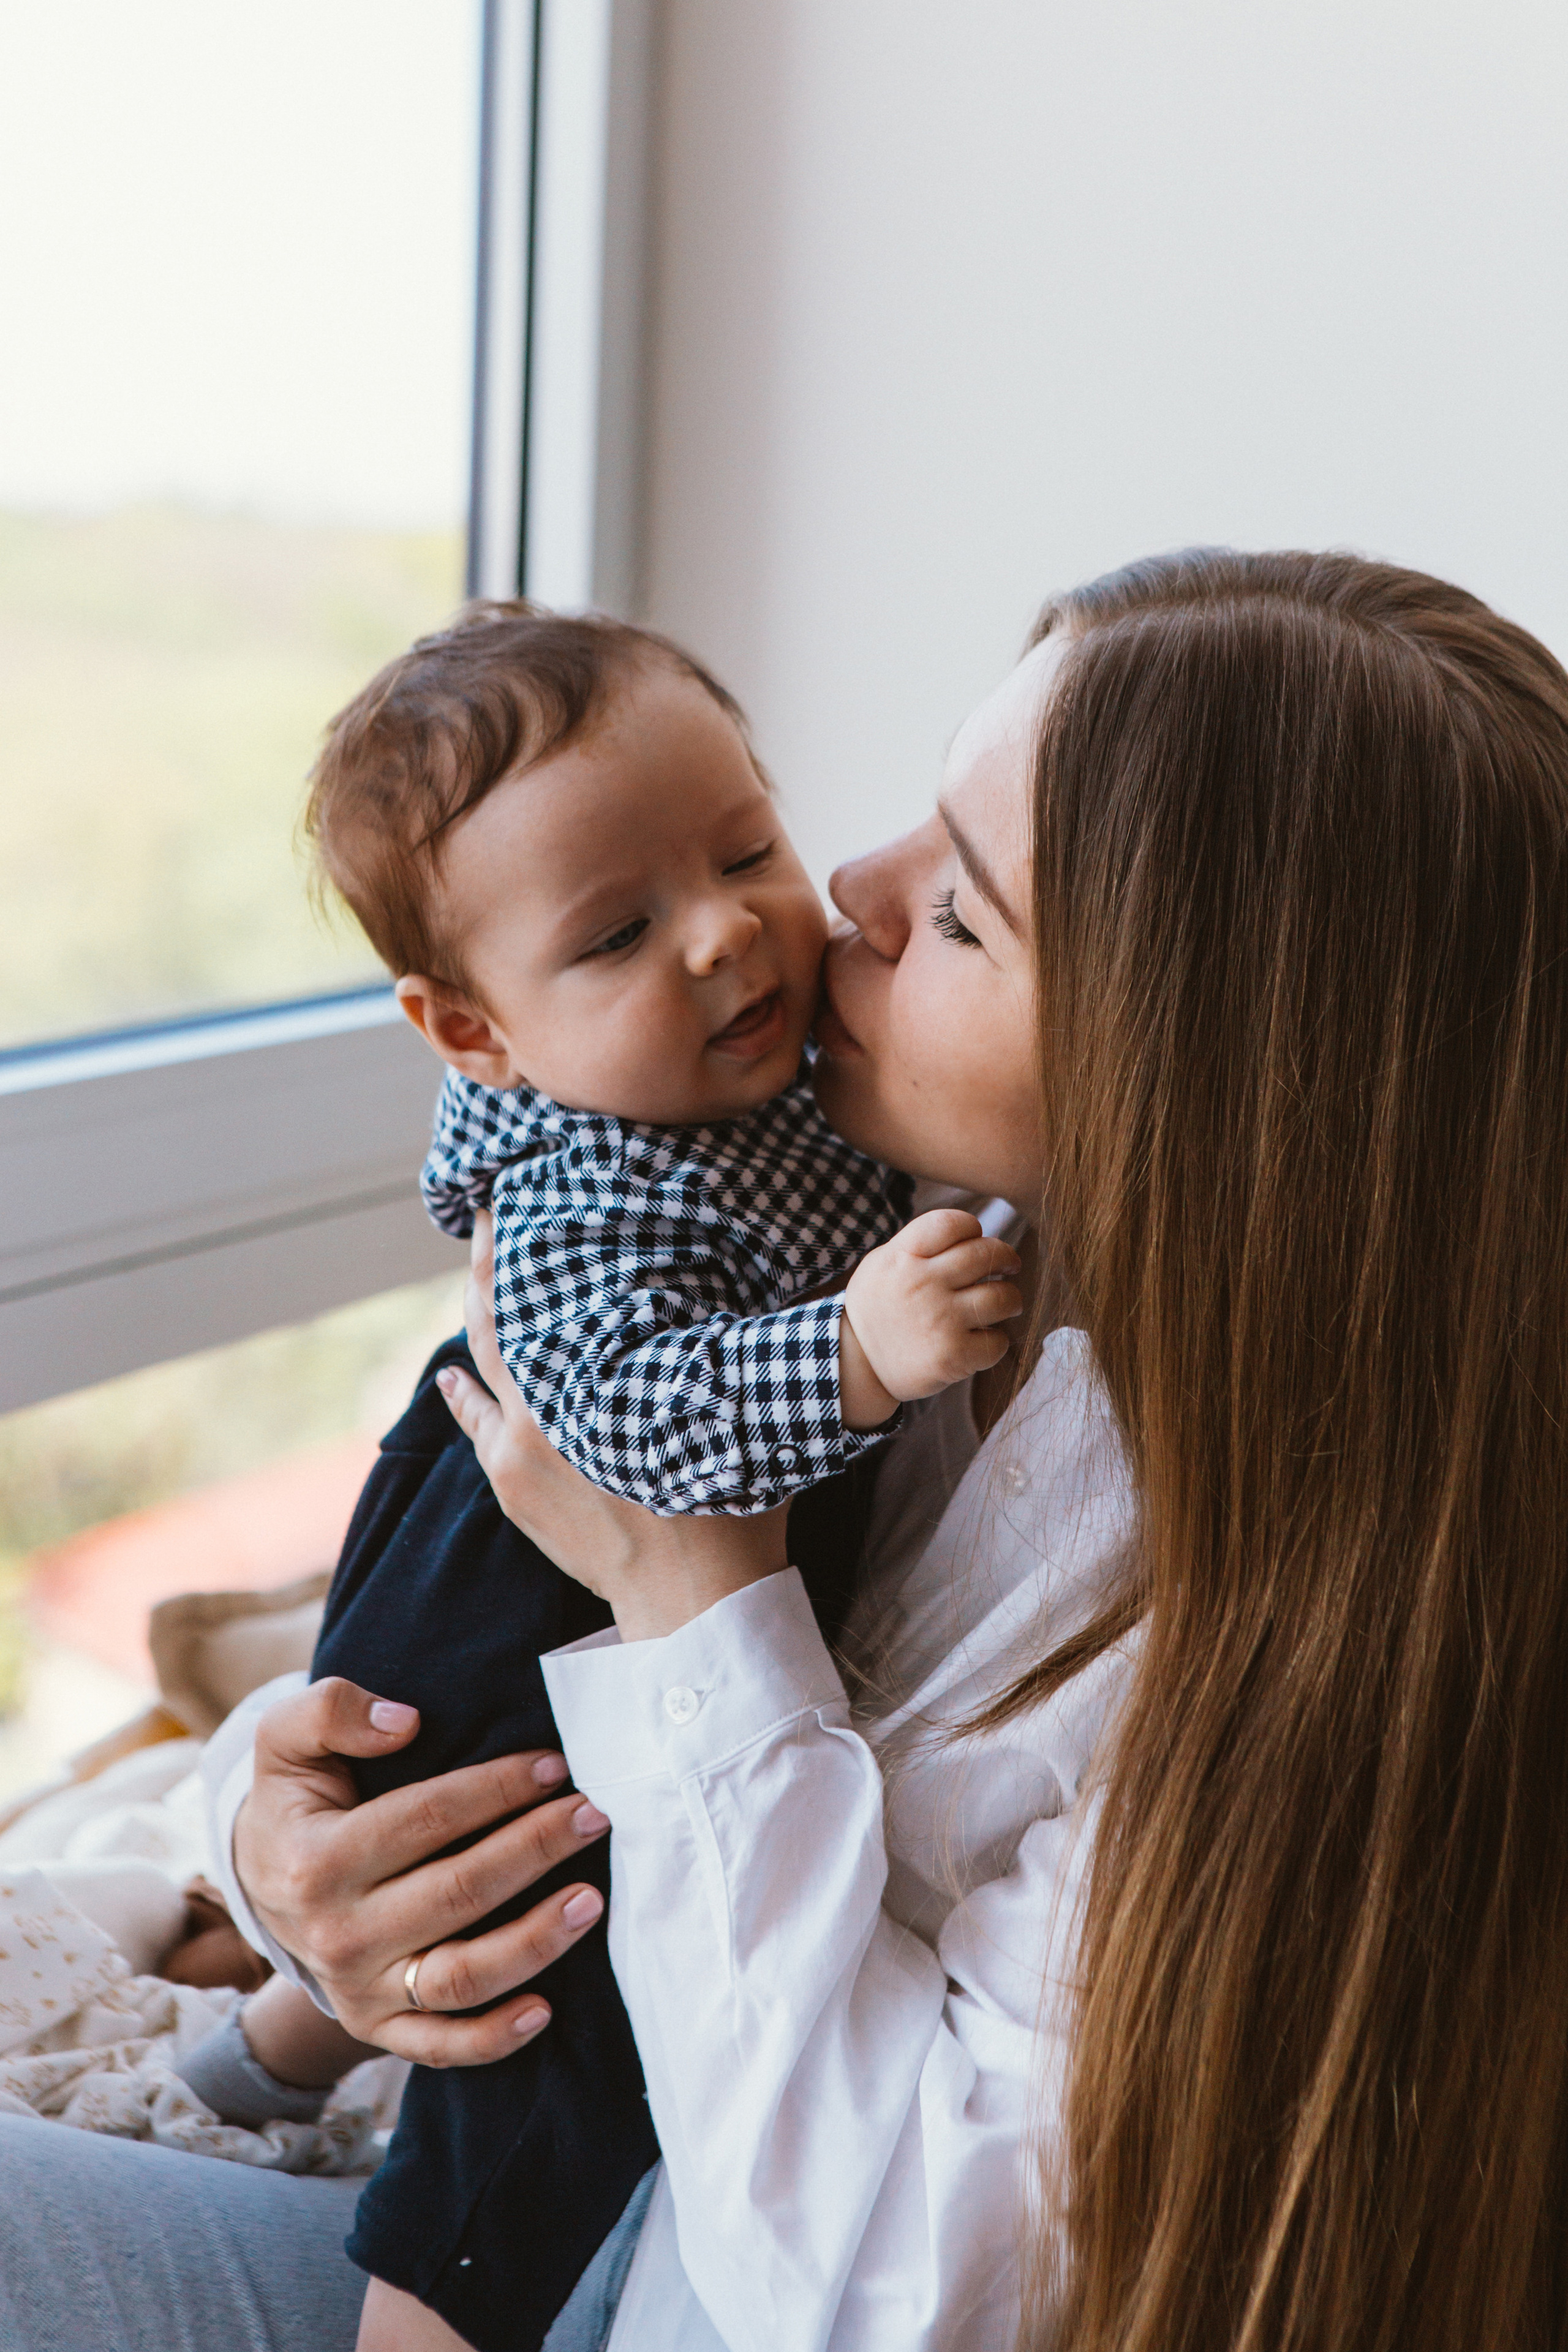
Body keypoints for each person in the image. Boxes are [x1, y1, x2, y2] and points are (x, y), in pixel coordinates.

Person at [3, 545, 1562, 2352]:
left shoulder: (1291, 1664)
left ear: (1194, 1082)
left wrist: (695, 1592)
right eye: (915, 820)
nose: (844, 891)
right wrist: (294, 1848)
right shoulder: (894, 1222)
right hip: (524, 2108)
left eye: (966, 913)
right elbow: (468, 1613)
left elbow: (861, 2290)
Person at [236, 600, 1022, 2351]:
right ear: (471, 1033)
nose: (729, 934)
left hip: (585, 1627)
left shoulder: (785, 1082)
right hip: (517, 1657)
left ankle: (279, 2037)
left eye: (748, 846)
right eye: (615, 934)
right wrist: (856, 1354)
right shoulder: (589, 1193)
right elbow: (637, 1428)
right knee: (524, 2074)